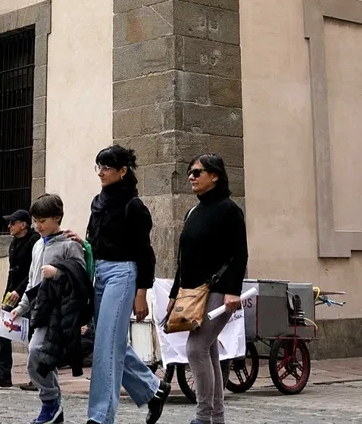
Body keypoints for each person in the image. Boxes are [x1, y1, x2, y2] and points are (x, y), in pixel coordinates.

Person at [83, 144, 168, 424]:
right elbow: (92, 240)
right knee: (110, 342)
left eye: (106, 167)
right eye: (99, 166)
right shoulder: (98, 201)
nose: (101, 172)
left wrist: (142, 292)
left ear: (122, 171)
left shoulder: (134, 206)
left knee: (107, 345)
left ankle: (100, 416)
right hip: (101, 273)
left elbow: (145, 253)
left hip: (124, 273)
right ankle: (153, 390)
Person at [169, 154, 247, 424]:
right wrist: (174, 294)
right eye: (190, 171)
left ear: (215, 176)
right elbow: (184, 257)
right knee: (208, 349)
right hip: (192, 293)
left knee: (196, 349)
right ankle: (216, 418)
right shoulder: (193, 212)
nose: (191, 176)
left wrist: (233, 290)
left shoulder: (229, 210)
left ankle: (204, 417)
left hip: (219, 290)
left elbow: (240, 254)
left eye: (198, 172)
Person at [11, 194, 90, 424]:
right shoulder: (37, 245)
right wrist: (22, 307)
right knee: (42, 359)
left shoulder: (69, 246)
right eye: (35, 221)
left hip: (59, 313)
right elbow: (31, 281)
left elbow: (80, 278)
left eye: (42, 221)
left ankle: (51, 402)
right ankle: (53, 407)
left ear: (57, 218)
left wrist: (58, 273)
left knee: (36, 355)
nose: (37, 226)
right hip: (39, 311)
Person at [0, 208, 37, 390]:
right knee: (2, 331)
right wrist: (6, 296)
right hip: (13, 296)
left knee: (33, 335)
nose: (9, 226)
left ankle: (36, 378)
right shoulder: (14, 243)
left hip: (30, 294)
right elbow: (12, 272)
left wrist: (20, 290)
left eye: (12, 223)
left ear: (23, 225)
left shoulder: (34, 242)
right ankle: (4, 375)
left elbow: (33, 272)